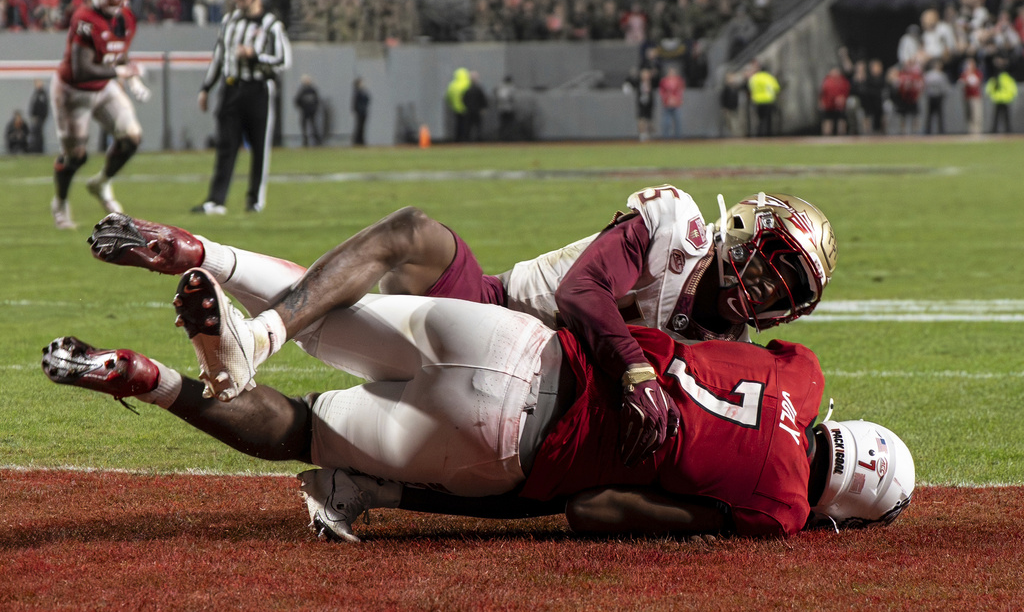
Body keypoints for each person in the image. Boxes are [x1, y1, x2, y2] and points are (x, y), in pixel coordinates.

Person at [41, 276, 914, 542]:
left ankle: (230, 286)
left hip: (520, 342)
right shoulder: (781, 510)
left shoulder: (804, 372)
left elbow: (733, 342)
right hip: (505, 442)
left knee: (327, 309)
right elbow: (597, 508)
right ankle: (153, 379)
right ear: (841, 508)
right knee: (302, 428)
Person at [87, 186, 837, 465]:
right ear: (746, 230)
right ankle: (247, 329)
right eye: (776, 262)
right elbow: (582, 291)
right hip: (494, 309)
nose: (770, 285)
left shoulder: (729, 353)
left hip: (541, 399)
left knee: (355, 320)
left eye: (789, 288)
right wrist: (635, 370)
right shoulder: (676, 225)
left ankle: (212, 264)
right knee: (411, 233)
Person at [48, 0, 150, 230]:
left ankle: (102, 182)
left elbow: (119, 52)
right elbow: (81, 70)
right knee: (76, 156)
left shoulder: (127, 18)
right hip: (73, 91)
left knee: (132, 137)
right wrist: (120, 72)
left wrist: (132, 77)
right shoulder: (85, 18)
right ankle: (60, 202)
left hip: (103, 87)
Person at [194, 0, 292, 215]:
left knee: (259, 147)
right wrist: (206, 88)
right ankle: (216, 201)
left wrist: (255, 56)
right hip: (230, 88)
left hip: (258, 89)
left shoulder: (271, 24)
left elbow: (283, 60)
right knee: (225, 145)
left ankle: (255, 200)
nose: (237, 1)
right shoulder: (229, 21)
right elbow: (219, 56)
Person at [747, 60, 780, 137]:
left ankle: (759, 135)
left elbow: (750, 88)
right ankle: (768, 135)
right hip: (768, 100)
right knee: (768, 119)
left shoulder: (754, 78)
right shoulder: (769, 77)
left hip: (757, 101)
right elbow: (776, 88)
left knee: (759, 119)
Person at [985, 56, 1018, 134]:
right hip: (1002, 99)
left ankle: (1001, 130)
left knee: (1001, 116)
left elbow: (989, 88)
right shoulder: (1004, 78)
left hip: (1002, 99)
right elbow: (1013, 88)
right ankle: (1004, 130)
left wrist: (990, 94)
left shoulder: (1001, 77)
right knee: (1000, 116)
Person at [818, 66, 850, 136]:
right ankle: (826, 137)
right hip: (829, 105)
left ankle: (842, 136)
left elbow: (846, 91)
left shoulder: (843, 81)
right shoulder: (826, 81)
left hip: (840, 106)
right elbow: (822, 93)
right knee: (828, 122)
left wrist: (843, 99)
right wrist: (822, 102)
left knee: (841, 122)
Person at [922, 60, 950, 135]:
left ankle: (929, 130)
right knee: (937, 114)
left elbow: (924, 85)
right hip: (937, 96)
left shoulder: (928, 75)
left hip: (932, 96)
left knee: (932, 115)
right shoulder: (941, 75)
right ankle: (940, 131)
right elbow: (944, 87)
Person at [293, 74, 321, 147]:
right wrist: (301, 108)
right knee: (304, 127)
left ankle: (317, 140)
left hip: (312, 112)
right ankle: (305, 140)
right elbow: (297, 100)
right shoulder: (302, 90)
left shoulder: (312, 90)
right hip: (305, 112)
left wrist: (314, 108)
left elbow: (317, 100)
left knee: (313, 126)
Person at [658, 66, 684, 139]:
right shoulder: (664, 81)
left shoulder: (678, 81)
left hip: (676, 104)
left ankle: (678, 137)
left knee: (678, 121)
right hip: (667, 104)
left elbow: (680, 92)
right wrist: (667, 99)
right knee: (666, 122)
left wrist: (677, 100)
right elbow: (662, 92)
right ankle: (666, 137)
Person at [959, 57, 984, 136]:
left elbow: (975, 83)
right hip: (967, 96)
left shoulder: (977, 72)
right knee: (968, 114)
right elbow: (961, 83)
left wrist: (967, 82)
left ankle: (977, 131)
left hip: (975, 96)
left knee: (976, 114)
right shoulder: (965, 73)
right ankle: (970, 130)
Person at [446, 67, 471, 142]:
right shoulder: (467, 84)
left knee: (458, 124)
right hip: (466, 108)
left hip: (456, 108)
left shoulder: (452, 85)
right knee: (466, 124)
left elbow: (448, 97)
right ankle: (465, 138)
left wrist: (452, 104)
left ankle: (458, 138)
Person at [463, 71, 488, 142]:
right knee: (478, 126)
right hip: (477, 110)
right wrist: (483, 108)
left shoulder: (467, 89)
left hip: (469, 110)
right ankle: (479, 139)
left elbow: (464, 100)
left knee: (468, 126)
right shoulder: (478, 89)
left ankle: (467, 140)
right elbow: (483, 99)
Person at [28, 79, 49, 153]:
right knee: (35, 134)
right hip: (35, 118)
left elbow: (44, 107)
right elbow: (32, 106)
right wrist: (33, 115)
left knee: (39, 134)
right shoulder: (35, 93)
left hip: (40, 118)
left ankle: (39, 149)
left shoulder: (43, 94)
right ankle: (35, 149)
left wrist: (42, 117)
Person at [495, 75, 516, 141]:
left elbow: (497, 98)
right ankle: (509, 138)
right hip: (509, 109)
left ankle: (502, 138)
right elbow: (512, 98)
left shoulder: (500, 87)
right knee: (509, 125)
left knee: (503, 124)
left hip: (501, 109)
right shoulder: (510, 87)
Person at [351, 77, 370, 146]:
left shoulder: (363, 91)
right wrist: (357, 110)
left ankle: (361, 140)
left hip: (364, 111)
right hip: (360, 111)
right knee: (359, 126)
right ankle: (358, 140)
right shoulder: (358, 92)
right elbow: (355, 102)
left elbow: (368, 99)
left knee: (362, 127)